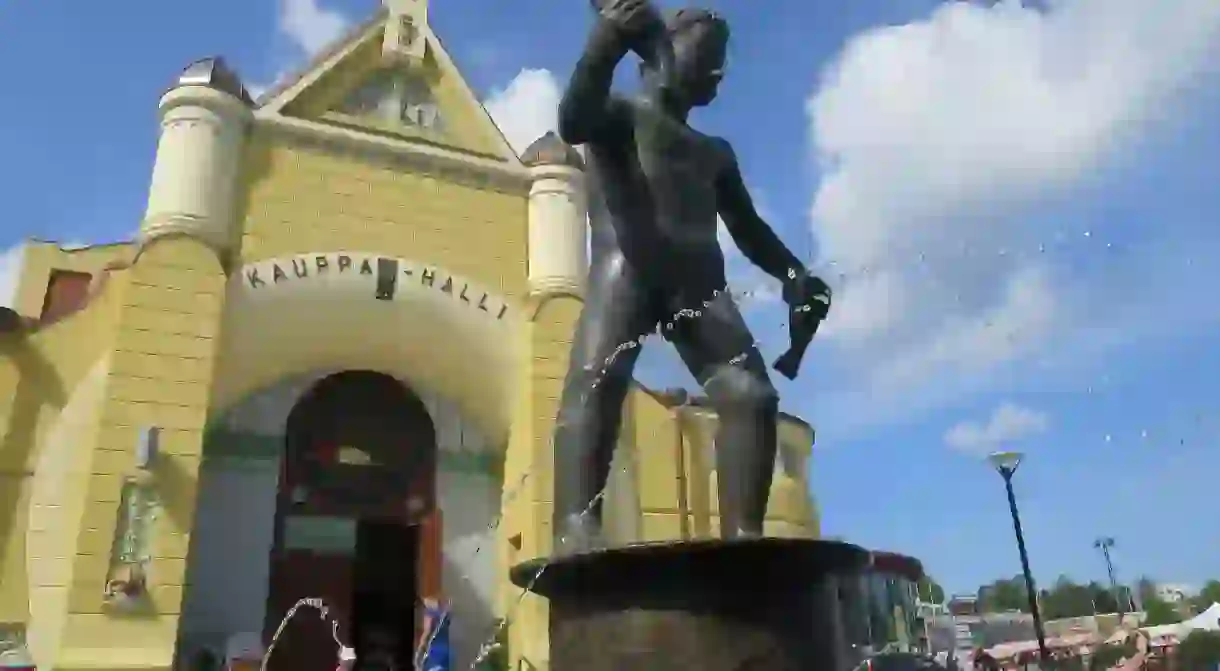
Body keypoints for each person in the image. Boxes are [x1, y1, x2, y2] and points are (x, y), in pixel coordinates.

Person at [551, 0, 832, 551]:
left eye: (721, 61)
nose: (719, 72)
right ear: (663, 49)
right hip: (627, 268)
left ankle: (743, 537)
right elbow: (572, 119)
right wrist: (605, 40)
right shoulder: (619, 116)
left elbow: (748, 230)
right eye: (708, 56)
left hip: (700, 287)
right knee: (597, 382)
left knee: (752, 398)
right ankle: (575, 525)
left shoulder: (714, 154)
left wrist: (794, 276)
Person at [415, 597, 451, 671]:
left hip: (434, 650)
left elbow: (427, 632)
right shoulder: (445, 613)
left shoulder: (429, 612)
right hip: (444, 649)